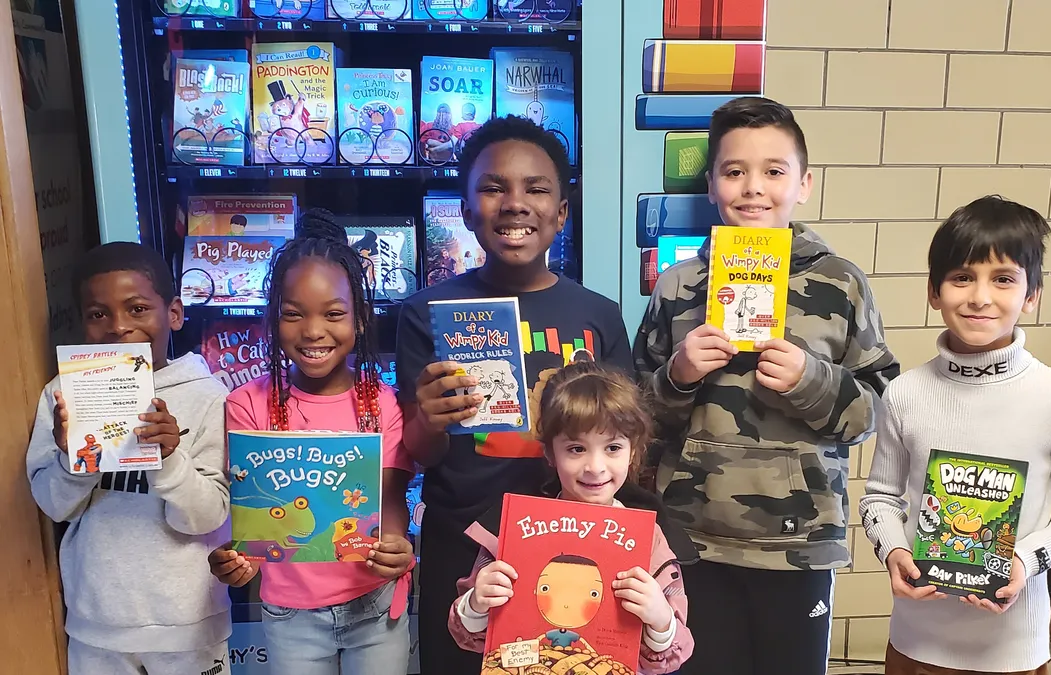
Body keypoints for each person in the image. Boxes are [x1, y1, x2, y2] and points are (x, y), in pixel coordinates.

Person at [633, 96, 900, 675]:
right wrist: (677, 376)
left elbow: (880, 407)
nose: (753, 188)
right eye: (734, 171)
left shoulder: (840, 284)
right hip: (690, 539)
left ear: (803, 184)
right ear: (711, 186)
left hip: (798, 543)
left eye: (773, 171)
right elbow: (632, 418)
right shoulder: (679, 285)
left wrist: (815, 382)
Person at [395, 115, 634, 673]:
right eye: (493, 187)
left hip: (575, 543)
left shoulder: (598, 316)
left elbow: (627, 444)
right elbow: (420, 452)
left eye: (536, 188)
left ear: (562, 212)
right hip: (464, 538)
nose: (515, 203)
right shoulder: (425, 313)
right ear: (464, 209)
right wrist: (429, 419)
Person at [860, 195, 1051, 675]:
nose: (980, 297)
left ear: (1032, 295)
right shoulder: (905, 393)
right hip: (916, 637)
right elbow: (880, 499)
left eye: (1003, 279)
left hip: (1011, 646)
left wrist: (1024, 560)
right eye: (962, 277)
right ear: (934, 292)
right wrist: (893, 549)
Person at [207, 210, 415, 675]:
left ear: (360, 319)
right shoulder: (247, 405)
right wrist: (234, 558)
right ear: (273, 319)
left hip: (374, 602)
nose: (313, 331)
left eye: (333, 314)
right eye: (293, 315)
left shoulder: (382, 404)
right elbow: (246, 511)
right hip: (289, 613)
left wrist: (398, 541)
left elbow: (392, 496)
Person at [27, 242, 231, 674]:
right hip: (98, 625)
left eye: (137, 308)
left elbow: (206, 517)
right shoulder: (60, 396)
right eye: (98, 314)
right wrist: (74, 459)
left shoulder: (208, 396)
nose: (118, 326)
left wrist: (170, 458)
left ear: (173, 313)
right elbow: (53, 505)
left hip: (188, 625)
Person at [448, 362, 696, 674]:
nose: (595, 466)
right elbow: (469, 636)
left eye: (613, 447)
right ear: (550, 453)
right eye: (576, 448)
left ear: (633, 451)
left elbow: (672, 653)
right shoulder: (512, 530)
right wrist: (476, 605)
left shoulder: (650, 539)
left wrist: (661, 622)